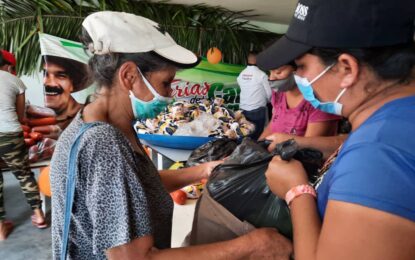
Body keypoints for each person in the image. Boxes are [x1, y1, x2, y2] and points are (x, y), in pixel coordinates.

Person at [50, 11, 292, 260]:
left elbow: (135, 187)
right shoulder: (103, 144)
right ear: (129, 76)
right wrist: (250, 246)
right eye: (166, 83)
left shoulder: (94, 121)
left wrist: (203, 170)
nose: (170, 94)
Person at [258, 0, 415, 259]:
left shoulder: (378, 154)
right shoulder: (394, 121)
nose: (300, 78)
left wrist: (296, 191)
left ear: (346, 68)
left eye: (302, 67)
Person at [0, 50, 47, 241]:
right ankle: (39, 215)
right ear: (7, 66)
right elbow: (21, 117)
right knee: (23, 174)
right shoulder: (14, 80)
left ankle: (1, 228)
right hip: (10, 134)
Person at [258, 63, 344, 158]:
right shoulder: (278, 94)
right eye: (269, 72)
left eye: (278, 72)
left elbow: (308, 150)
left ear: (298, 68)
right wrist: (257, 147)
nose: (271, 78)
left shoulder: (319, 100)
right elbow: (273, 123)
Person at [36, 55, 91, 138]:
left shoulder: (87, 114)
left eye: (60, 76)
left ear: (73, 83)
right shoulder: (36, 117)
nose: (48, 83)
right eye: (45, 74)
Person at [237, 52, 272, 140]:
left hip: (243, 110)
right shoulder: (262, 75)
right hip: (257, 111)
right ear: (258, 60)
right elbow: (269, 93)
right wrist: (267, 102)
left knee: (244, 134)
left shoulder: (241, 74)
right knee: (257, 137)